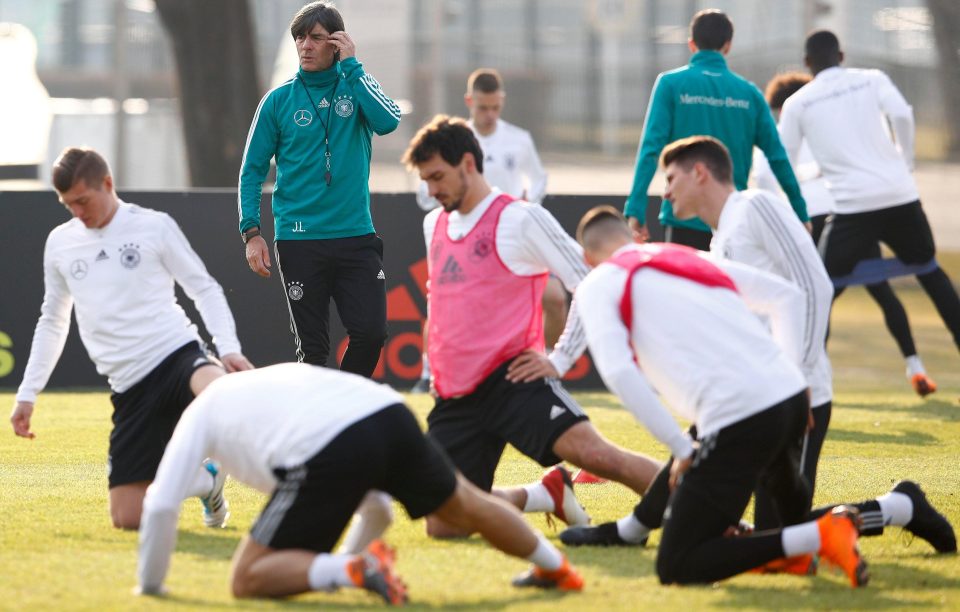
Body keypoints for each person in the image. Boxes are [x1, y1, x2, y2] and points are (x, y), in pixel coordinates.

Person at [562, 138, 956, 560]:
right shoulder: (719, 239)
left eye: (671, 178)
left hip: (792, 393)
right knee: (695, 459)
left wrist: (797, 378)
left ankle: (899, 507)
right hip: (747, 391)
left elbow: (812, 286)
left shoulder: (756, 206)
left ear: (700, 173)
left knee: (781, 533)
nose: (666, 191)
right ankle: (632, 529)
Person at [560, 204, 869, 587]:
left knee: (677, 564)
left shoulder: (598, 281)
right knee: (781, 507)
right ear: (637, 237)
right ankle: (848, 527)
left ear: (587, 258)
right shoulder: (682, 255)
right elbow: (786, 295)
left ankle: (823, 534)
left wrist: (681, 448)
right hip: (788, 397)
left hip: (741, 414)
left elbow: (619, 372)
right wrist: (796, 379)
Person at [402, 115, 663, 537]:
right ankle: (544, 494)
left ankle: (725, 521)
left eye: (437, 177)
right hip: (455, 396)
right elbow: (442, 303)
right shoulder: (434, 223)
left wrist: (559, 360)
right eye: (425, 180)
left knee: (601, 458)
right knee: (444, 526)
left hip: (513, 380)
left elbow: (593, 281)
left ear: (468, 163)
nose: (431, 190)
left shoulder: (521, 219)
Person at [136, 363, 584, 603]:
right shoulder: (262, 383)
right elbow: (379, 510)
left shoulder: (197, 414)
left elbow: (158, 507)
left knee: (247, 578)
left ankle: (354, 571)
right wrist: (347, 563)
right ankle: (557, 569)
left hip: (329, 443)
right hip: (387, 412)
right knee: (465, 503)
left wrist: (150, 589)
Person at [10, 147, 253, 530]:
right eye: (68, 204)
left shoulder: (153, 226)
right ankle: (208, 482)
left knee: (221, 391)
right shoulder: (59, 243)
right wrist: (27, 393)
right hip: (128, 386)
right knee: (128, 518)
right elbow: (53, 321)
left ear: (107, 184)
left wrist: (228, 349)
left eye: (83, 201)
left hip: (176, 354)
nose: (77, 212)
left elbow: (204, 289)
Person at [238, 1, 401, 377]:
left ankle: (341, 408)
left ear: (338, 43)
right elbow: (252, 171)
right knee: (312, 351)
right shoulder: (278, 101)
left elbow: (389, 121)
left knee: (371, 334)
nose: (306, 46)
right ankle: (320, 428)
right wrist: (251, 232)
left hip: (355, 237)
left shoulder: (357, 85)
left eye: (316, 37)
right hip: (299, 241)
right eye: (300, 38)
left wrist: (353, 67)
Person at [778, 30, 960, 367]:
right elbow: (903, 115)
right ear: (842, 56)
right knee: (930, 271)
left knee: (820, 288)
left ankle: (804, 376)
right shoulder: (872, 79)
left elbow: (782, 161)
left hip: (852, 207)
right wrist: (904, 162)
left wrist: (797, 205)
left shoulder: (798, 103)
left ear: (807, 63)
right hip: (899, 196)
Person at [757, 71, 936, 397]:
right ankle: (915, 365)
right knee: (882, 293)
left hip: (815, 221)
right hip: (851, 217)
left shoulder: (790, 127)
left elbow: (769, 174)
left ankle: (806, 377)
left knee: (816, 298)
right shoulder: (832, 123)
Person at [412, 68, 562, 393]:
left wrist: (527, 202)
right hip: (463, 240)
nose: (490, 114)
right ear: (469, 101)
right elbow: (424, 192)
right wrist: (449, 208)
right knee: (442, 301)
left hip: (509, 235)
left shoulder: (518, 139)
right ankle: (429, 373)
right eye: (483, 107)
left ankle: (544, 363)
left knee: (555, 297)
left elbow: (538, 178)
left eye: (496, 107)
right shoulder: (452, 140)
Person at [623, 8, 808, 250]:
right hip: (731, 217)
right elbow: (777, 157)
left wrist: (636, 206)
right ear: (728, 46)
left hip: (683, 215)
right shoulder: (749, 93)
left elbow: (650, 148)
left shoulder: (670, 85)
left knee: (686, 286)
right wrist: (800, 212)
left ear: (691, 44)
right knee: (728, 286)